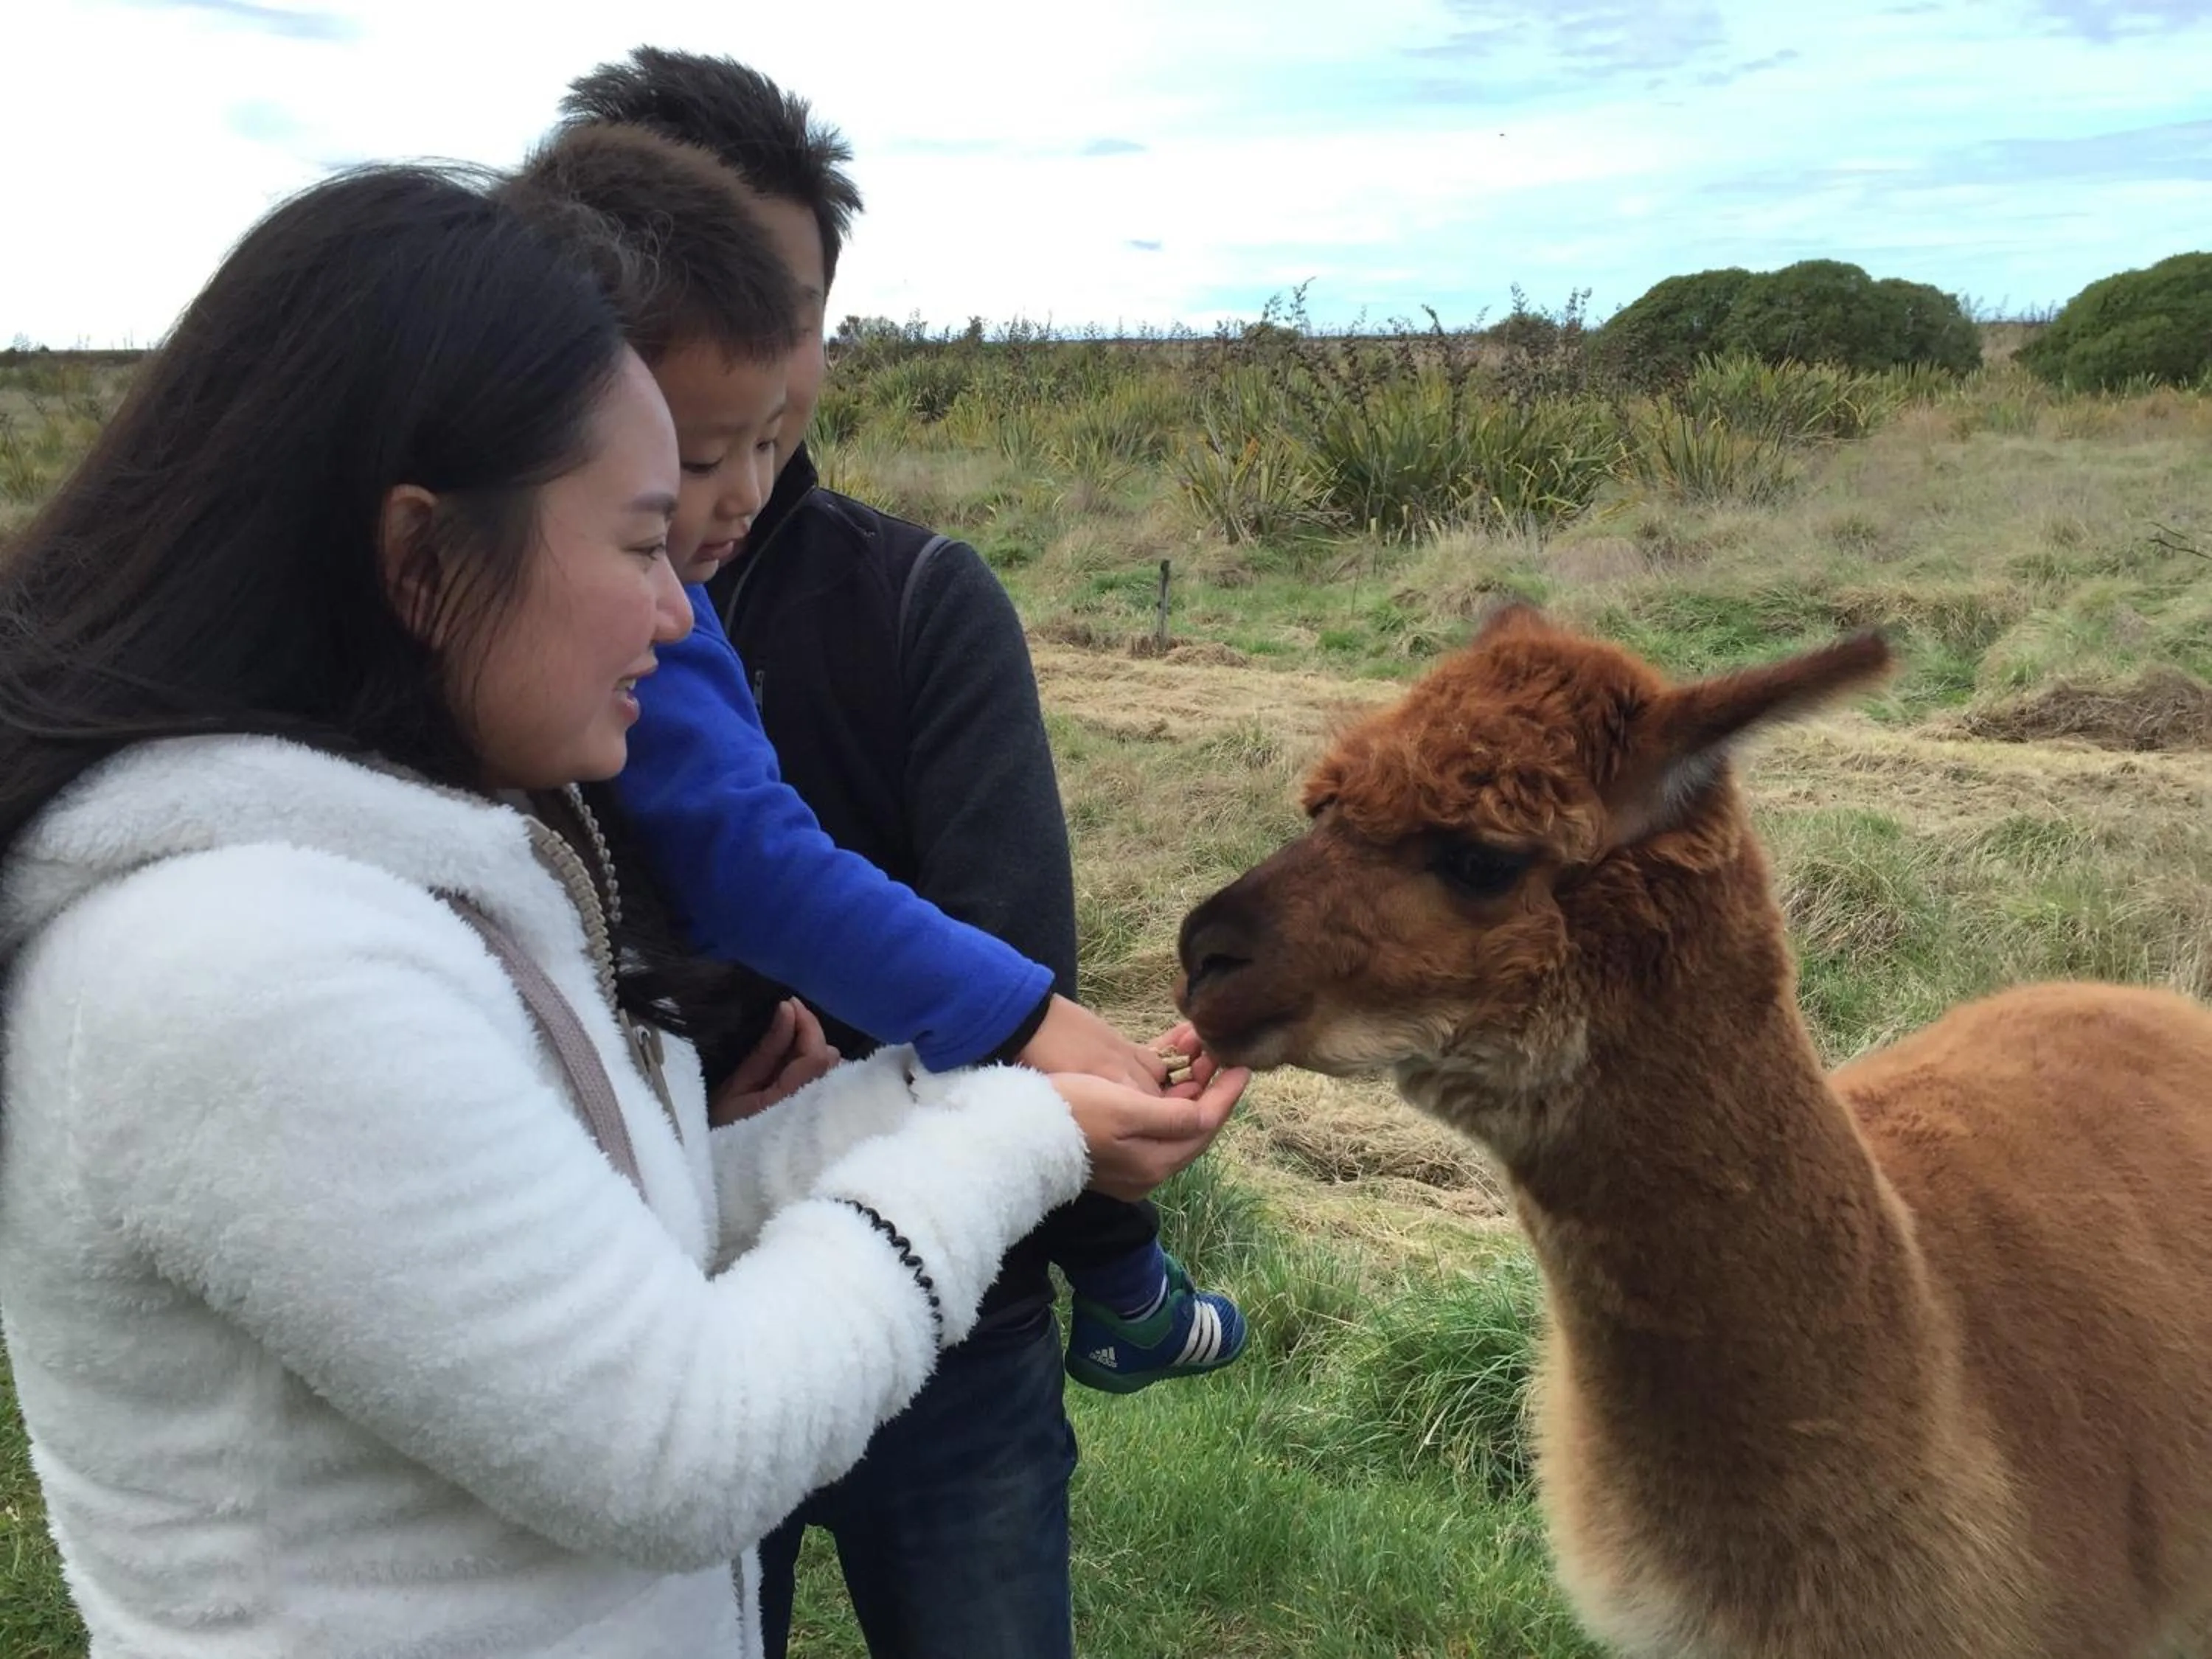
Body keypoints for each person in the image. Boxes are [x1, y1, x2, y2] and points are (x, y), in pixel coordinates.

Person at [0, 163, 1242, 1658]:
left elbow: (573, 1254)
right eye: (646, 541)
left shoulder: (389, 879)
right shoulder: (241, 965)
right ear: (421, 558)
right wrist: (1020, 1130)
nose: (680, 614)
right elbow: (680, 1445)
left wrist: (900, 1110)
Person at [550, 51, 1249, 1659]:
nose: (738, 463)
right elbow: (737, 865)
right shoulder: (588, 614)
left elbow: (1003, 944)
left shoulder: (917, 599)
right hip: (677, 1279)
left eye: (787, 323)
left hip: (951, 1327)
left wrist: (1055, 1122)